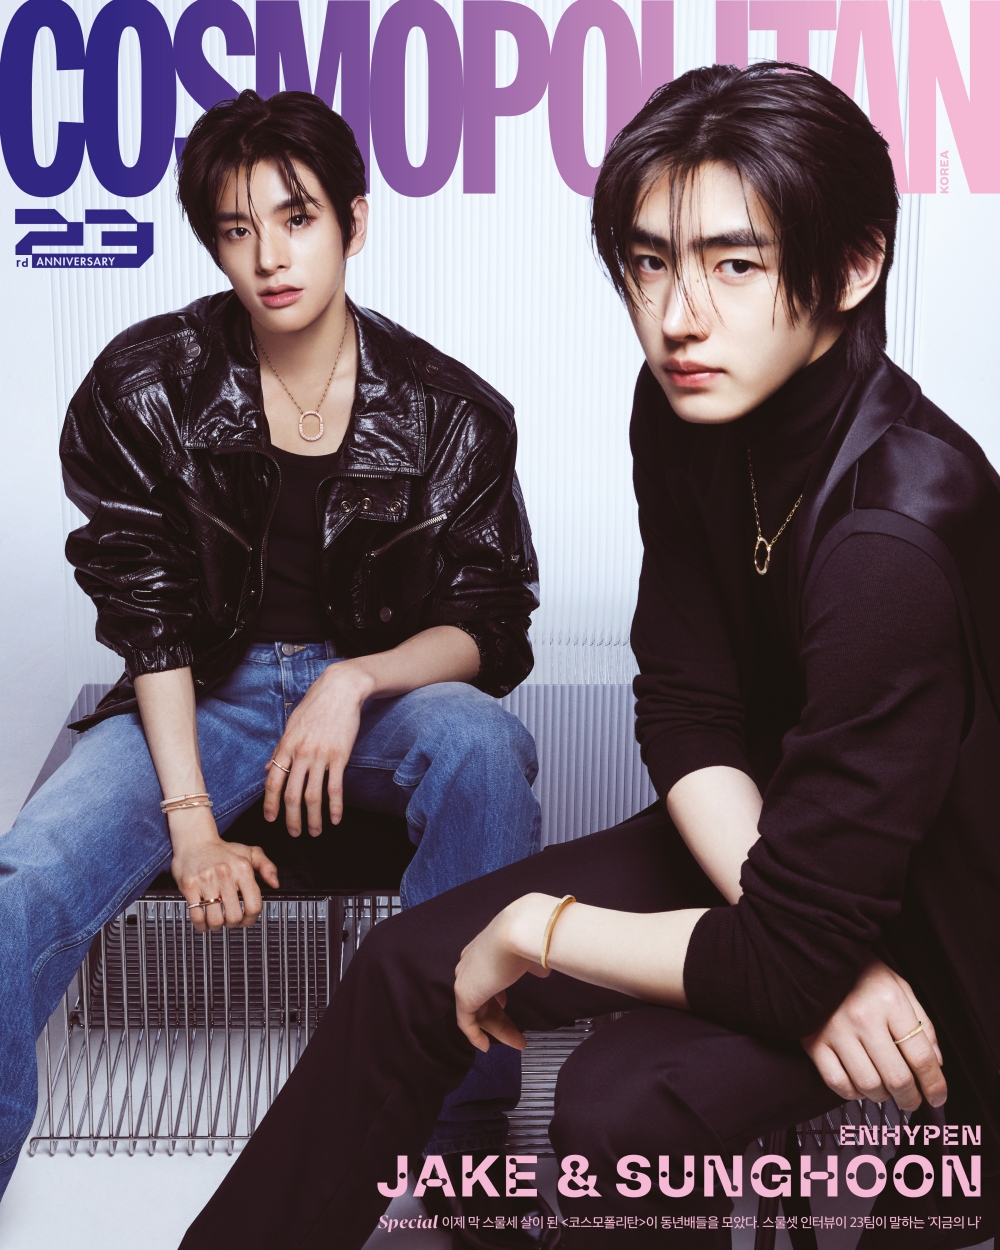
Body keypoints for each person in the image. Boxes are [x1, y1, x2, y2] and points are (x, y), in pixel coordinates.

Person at [180, 64, 998, 1248]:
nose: (676, 316)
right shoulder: (686, 405)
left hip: (953, 928)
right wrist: (803, 939)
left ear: (855, 263)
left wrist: (540, 927)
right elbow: (687, 703)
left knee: (620, 1100)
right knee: (411, 965)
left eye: (734, 264)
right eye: (649, 262)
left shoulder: (895, 533)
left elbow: (800, 933)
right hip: (782, 853)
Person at [0, 90, 544, 1204]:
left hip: (379, 694)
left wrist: (355, 678)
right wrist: (191, 825)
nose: (269, 257)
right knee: (23, 886)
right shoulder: (146, 382)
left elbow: (491, 623)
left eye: (297, 219)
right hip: (201, 691)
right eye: (237, 229)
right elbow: (149, 611)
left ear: (354, 220)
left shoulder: (451, 411)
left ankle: (464, 1147)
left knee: (484, 748)